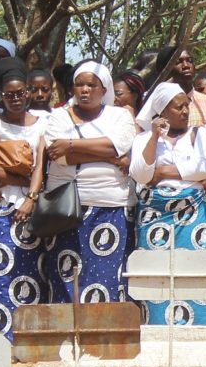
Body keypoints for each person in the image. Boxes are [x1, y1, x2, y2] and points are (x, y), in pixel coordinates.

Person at [38, 61, 138, 305]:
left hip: (111, 206)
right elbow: (58, 155)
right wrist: (109, 155)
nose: (83, 90)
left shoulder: (120, 116)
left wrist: (72, 145)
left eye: (91, 85)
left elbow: (120, 145)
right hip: (66, 209)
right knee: (66, 276)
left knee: (105, 279)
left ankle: (101, 340)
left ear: (104, 90)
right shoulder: (59, 116)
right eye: (79, 85)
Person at [129, 81, 206, 325]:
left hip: (193, 213)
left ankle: (202, 330)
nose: (185, 112)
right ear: (162, 111)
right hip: (156, 214)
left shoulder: (198, 133)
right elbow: (140, 173)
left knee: (196, 272)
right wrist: (154, 137)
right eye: (178, 107)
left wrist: (163, 172)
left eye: (186, 106)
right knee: (157, 275)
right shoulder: (143, 138)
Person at [0, 66, 47, 334]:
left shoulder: (43, 122)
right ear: (1, 96)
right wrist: (25, 181)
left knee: (34, 268)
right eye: (9, 95)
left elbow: (41, 164)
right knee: (1, 267)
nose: (15, 98)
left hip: (34, 207)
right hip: (1, 204)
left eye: (20, 93)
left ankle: (31, 335)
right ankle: (4, 335)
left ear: (28, 93)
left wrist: (30, 197)